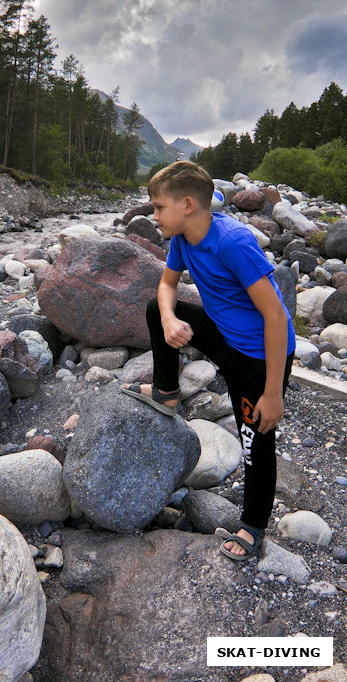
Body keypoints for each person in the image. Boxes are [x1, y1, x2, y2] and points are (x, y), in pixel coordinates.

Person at [122, 161, 295, 561]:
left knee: (255, 440)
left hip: (258, 356)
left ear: (186, 204)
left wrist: (273, 392)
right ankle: (167, 392)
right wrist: (169, 319)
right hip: (224, 338)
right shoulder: (182, 237)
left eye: (158, 207)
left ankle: (253, 526)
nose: (154, 215)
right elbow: (166, 285)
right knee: (154, 307)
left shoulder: (232, 242)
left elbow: (275, 316)